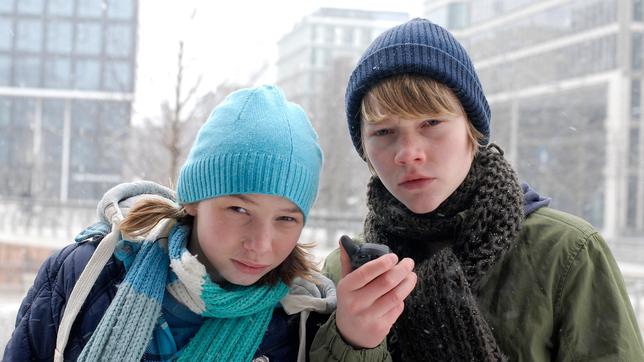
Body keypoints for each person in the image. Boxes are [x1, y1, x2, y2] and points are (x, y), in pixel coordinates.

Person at [313, 18, 644, 361]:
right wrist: (351, 344)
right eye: (383, 132)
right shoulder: (346, 271)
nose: (408, 153)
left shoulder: (568, 254)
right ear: (364, 149)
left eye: (431, 123)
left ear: (473, 130)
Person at [4, 85, 364, 361]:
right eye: (239, 210)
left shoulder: (299, 326)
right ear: (193, 199)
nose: (261, 243)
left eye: (286, 218)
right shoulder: (83, 274)